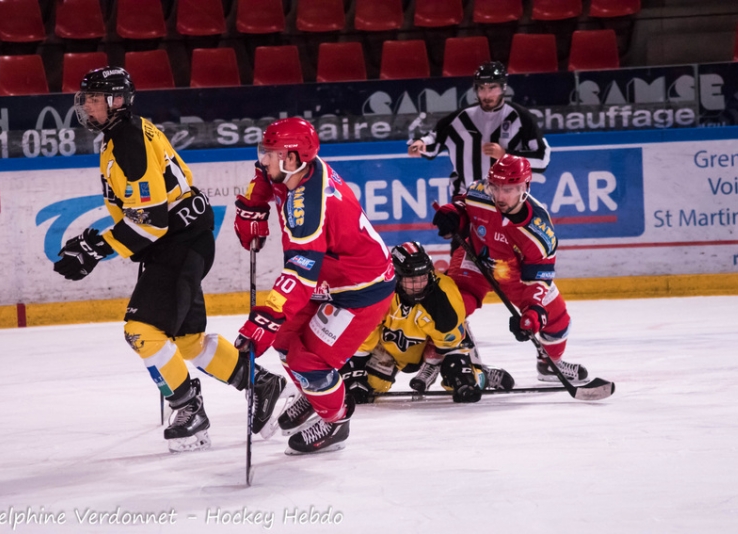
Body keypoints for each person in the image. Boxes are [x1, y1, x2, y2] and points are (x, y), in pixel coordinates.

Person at [53, 67, 286, 453]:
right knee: (188, 340)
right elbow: (145, 218)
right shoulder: (121, 134)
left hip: (177, 240)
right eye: (88, 98)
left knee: (140, 331)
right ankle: (262, 383)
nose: (88, 105)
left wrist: (96, 248)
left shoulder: (128, 141)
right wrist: (97, 244)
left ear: (117, 101)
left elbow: (151, 223)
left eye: (95, 98)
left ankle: (188, 409)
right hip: (181, 237)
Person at [233, 117, 395, 455]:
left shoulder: (309, 204)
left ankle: (336, 420)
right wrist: (253, 205)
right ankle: (315, 397)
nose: (264, 159)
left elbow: (301, 269)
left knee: (310, 363)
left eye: (271, 153)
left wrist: (268, 315)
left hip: (360, 289)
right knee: (284, 340)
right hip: (329, 279)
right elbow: (265, 176)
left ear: (291, 158)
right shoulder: (297, 167)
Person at [432, 154, 589, 383]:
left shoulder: (538, 230)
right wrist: (453, 214)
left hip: (516, 274)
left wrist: (533, 313)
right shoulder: (480, 191)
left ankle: (550, 364)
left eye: (509, 189)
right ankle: (468, 369)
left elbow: (538, 277)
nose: (500, 195)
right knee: (451, 307)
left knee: (557, 319)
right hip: (475, 259)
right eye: (496, 187)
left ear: (525, 187)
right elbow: (463, 207)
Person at [339, 241, 515, 403]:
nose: (420, 285)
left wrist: (460, 371)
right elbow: (364, 332)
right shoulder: (379, 291)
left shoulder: (443, 295)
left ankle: (482, 374)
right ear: (396, 276)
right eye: (412, 280)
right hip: (391, 348)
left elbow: (451, 342)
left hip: (434, 345)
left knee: (460, 379)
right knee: (367, 388)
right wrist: (355, 369)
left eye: (423, 277)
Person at [407, 61, 551, 197]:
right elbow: (434, 138)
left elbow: (542, 158)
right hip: (466, 198)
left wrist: (505, 156)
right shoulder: (461, 118)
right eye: (481, 88)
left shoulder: (521, 117)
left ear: (503, 88)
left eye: (492, 88)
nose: (486, 95)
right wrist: (420, 144)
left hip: (508, 201)